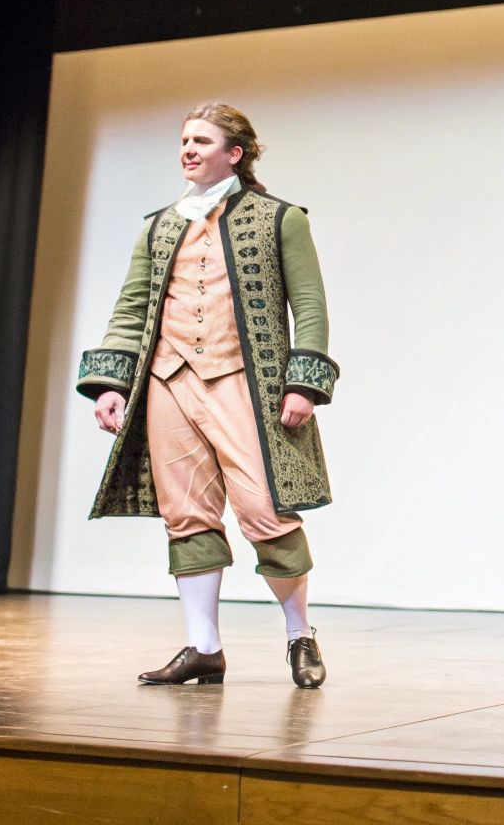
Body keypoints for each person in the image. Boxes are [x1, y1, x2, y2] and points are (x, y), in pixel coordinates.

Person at [75, 102, 340, 688]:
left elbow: (311, 305)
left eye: (201, 140)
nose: (187, 149)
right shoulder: (160, 224)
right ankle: (203, 646)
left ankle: (300, 632)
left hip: (246, 382)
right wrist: (113, 384)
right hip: (171, 383)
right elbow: (132, 306)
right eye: (184, 140)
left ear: (234, 154)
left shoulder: (279, 219)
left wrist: (303, 382)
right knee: (186, 514)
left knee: (265, 511)